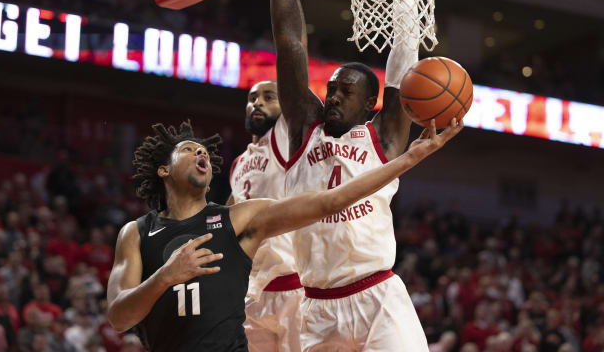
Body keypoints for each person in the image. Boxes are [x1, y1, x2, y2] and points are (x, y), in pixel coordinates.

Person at [106, 117, 461, 351]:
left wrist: (409, 159)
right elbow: (120, 317)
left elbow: (330, 201)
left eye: (204, 150)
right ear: (163, 169)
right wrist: (167, 275)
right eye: (188, 149)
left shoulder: (239, 219)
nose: (201, 151)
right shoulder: (136, 234)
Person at [271, 0, 433, 350]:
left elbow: (405, 56)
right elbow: (290, 43)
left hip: (378, 296)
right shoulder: (306, 130)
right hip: (318, 307)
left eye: (346, 92)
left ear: (369, 105)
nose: (334, 97)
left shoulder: (385, 138)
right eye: (331, 89)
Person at [227, 80, 302, 352]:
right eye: (252, 98)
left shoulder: (283, 141)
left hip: (292, 286)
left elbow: (295, 94)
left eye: (269, 97)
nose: (257, 102)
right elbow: (229, 222)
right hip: (249, 291)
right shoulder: (238, 163)